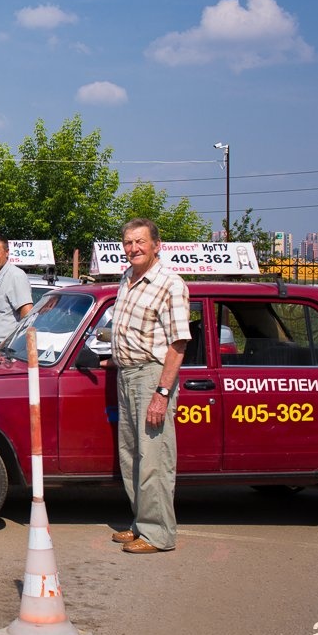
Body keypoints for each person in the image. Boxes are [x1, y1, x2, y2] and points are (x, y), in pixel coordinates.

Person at [108, 217, 191, 555]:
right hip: (126, 374)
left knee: (154, 457)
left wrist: (161, 393)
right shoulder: (127, 278)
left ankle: (159, 534)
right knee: (131, 456)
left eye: (140, 242)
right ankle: (141, 524)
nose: (133, 249)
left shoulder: (170, 284)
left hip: (150, 377)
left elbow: (178, 344)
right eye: (128, 243)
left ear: (157, 245)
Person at [0, 233, 33, 349]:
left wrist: (10, 347)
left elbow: (28, 316)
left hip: (3, 352)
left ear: (7, 252)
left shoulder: (15, 276)